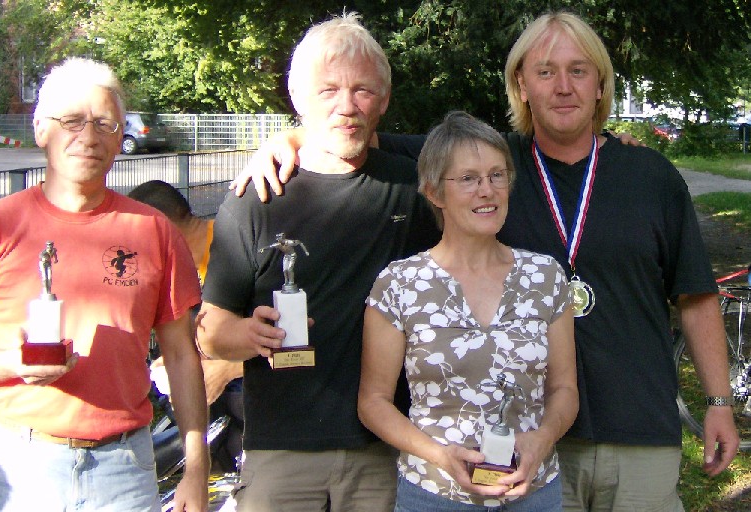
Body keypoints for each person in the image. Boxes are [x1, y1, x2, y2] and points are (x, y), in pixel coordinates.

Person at [234, 11, 739, 511]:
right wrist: (290, 139)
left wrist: (718, 403)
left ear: (601, 84)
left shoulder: (652, 177)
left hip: (638, 430)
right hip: (532, 455)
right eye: (545, 71)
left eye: (579, 71)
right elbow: (355, 132)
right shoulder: (489, 162)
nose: (563, 86)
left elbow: (694, 296)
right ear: (521, 84)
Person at [0, 58, 209, 512]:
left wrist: (196, 467)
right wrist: (16, 363)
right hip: (22, 468)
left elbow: (180, 355)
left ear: (120, 137)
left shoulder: (153, 232)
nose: (88, 137)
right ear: (40, 130)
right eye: (71, 121)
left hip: (126, 472)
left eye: (104, 123)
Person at [195, 12, 439, 512]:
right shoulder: (255, 198)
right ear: (298, 101)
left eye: (363, 91)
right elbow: (211, 331)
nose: (346, 106)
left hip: (383, 451)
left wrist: (606, 144)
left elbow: (503, 158)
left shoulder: (415, 188)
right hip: (281, 453)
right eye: (327, 91)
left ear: (384, 101)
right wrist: (250, 335)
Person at [359, 111, 578, 511]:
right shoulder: (400, 284)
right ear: (434, 192)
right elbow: (373, 402)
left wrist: (543, 438)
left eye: (497, 176)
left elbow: (564, 389)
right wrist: (440, 456)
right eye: (468, 179)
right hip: (434, 494)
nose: (487, 190)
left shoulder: (545, 277)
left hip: (532, 493)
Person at [129, 179, 244, 471]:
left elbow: (295, 338)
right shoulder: (174, 267)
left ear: (160, 226)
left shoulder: (237, 245)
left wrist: (228, 368)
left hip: (255, 394)